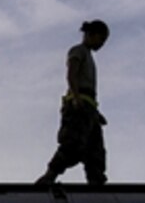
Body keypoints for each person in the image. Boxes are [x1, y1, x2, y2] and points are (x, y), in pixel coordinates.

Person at [36, 20, 110, 185]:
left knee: (95, 151)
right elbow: (72, 74)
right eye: (101, 39)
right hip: (78, 105)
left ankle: (96, 182)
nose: (101, 44)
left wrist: (95, 114)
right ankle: (51, 174)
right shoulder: (78, 51)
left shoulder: (89, 57)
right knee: (73, 144)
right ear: (92, 35)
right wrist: (76, 98)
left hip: (89, 108)